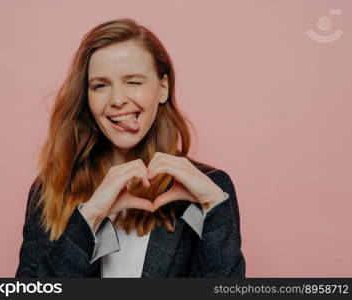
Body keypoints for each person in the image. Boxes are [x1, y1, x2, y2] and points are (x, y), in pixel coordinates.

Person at [15, 18, 246, 278]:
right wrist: (89, 217)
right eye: (100, 85)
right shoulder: (50, 189)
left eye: (133, 82)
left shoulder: (212, 187)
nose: (117, 100)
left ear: (163, 88)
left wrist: (214, 206)